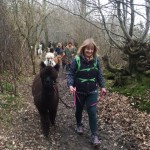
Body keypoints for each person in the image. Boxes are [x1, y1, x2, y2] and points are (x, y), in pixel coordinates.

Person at [67, 38, 106, 146]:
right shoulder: (77, 59)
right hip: (79, 91)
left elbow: (99, 74)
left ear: (94, 50)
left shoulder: (96, 60)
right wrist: (70, 85)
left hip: (92, 91)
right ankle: (79, 124)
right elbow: (70, 73)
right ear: (83, 49)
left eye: (91, 49)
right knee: (78, 110)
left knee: (92, 112)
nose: (89, 51)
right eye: (87, 49)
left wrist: (102, 86)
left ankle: (94, 135)